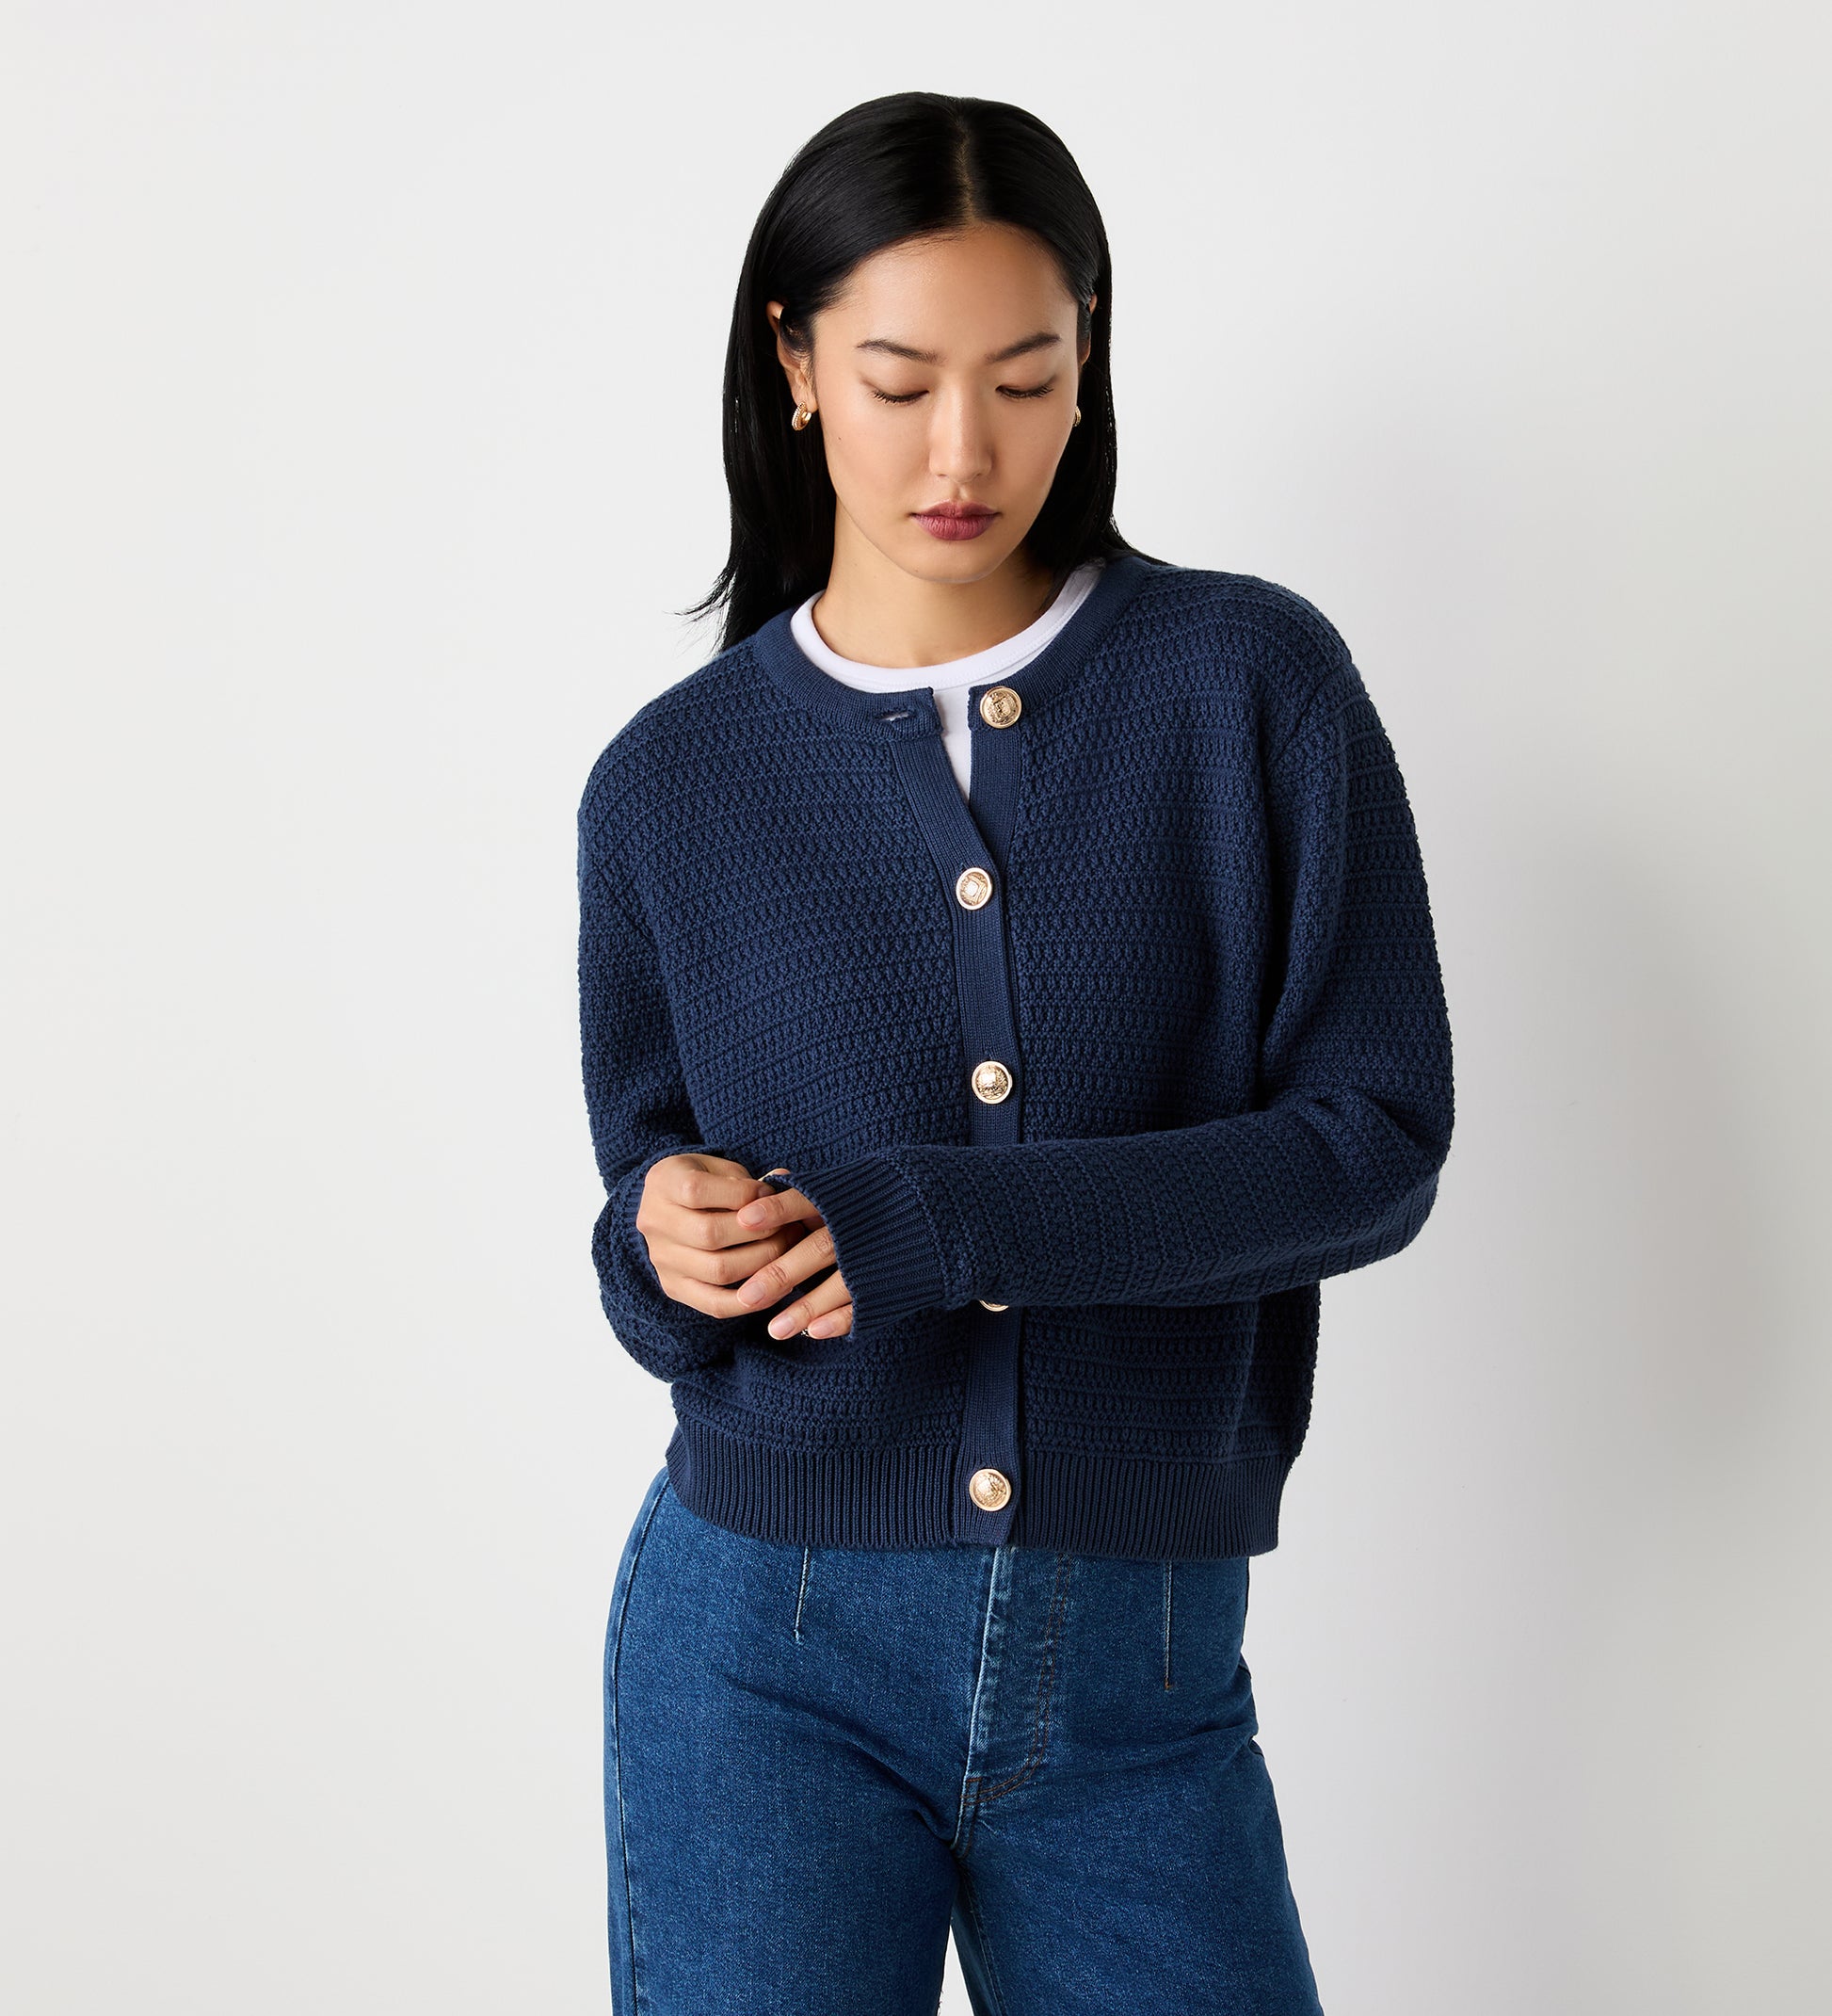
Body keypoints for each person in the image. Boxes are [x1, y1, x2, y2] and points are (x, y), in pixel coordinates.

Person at [576, 90, 1454, 2016]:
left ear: (1089, 364)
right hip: (758, 1651)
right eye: (897, 383)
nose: (961, 451)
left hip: (1139, 1668)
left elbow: (1373, 1140)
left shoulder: (1246, 686)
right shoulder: (670, 784)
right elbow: (643, 1225)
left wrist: (941, 1222)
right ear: (793, 366)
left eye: (1025, 378)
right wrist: (661, 1239)